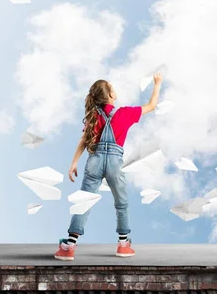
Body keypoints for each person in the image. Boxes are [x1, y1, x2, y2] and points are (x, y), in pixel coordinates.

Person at [54, 73, 163, 261]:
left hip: (94, 160)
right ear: (111, 95)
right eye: (112, 88)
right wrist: (157, 83)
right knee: (122, 203)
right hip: (114, 163)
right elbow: (152, 106)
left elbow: (83, 140)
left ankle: (69, 247)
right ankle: (123, 245)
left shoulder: (93, 117)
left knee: (85, 201)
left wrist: (74, 163)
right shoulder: (125, 113)